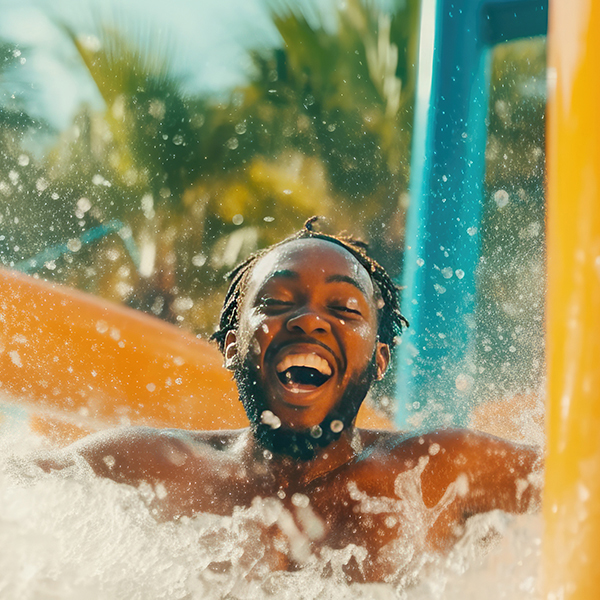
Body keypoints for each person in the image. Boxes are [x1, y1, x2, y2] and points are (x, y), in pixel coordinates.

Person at [37, 217, 541, 583]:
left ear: (379, 360)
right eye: (277, 302)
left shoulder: (438, 473)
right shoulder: (147, 467)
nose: (308, 320)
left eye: (344, 308)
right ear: (233, 346)